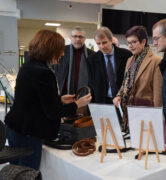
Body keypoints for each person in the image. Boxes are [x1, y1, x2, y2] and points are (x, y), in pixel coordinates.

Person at [4, 30, 92, 170]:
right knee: (28, 172)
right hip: (29, 132)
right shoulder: (44, 73)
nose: (62, 54)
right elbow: (53, 112)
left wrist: (60, 99)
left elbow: (35, 99)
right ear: (50, 49)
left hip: (16, 127)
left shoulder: (28, 66)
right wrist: (77, 104)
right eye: (60, 50)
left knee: (16, 171)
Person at [113, 26, 162, 131]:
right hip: (128, 111)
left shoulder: (156, 61)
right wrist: (118, 96)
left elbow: (158, 94)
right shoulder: (130, 60)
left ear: (143, 41)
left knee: (145, 145)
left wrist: (155, 118)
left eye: (134, 42)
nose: (130, 46)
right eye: (128, 43)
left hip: (146, 112)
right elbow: (126, 83)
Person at [87, 26, 132, 104]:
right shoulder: (91, 60)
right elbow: (91, 85)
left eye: (104, 42)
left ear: (111, 40)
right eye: (98, 43)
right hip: (102, 101)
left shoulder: (126, 55)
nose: (102, 46)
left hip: (122, 99)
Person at [53, 27, 95, 95]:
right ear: (70, 37)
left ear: (85, 38)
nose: (78, 39)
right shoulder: (62, 51)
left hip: (84, 95)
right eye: (75, 36)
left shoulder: (92, 55)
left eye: (80, 37)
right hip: (63, 93)